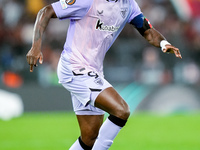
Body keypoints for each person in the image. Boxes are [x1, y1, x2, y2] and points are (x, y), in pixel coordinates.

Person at [26, 0, 182, 149]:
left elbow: (147, 31)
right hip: (74, 66)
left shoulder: (128, 5)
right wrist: (35, 46)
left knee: (89, 139)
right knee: (121, 110)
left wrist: (163, 43)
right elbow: (46, 11)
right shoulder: (87, 1)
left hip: (93, 71)